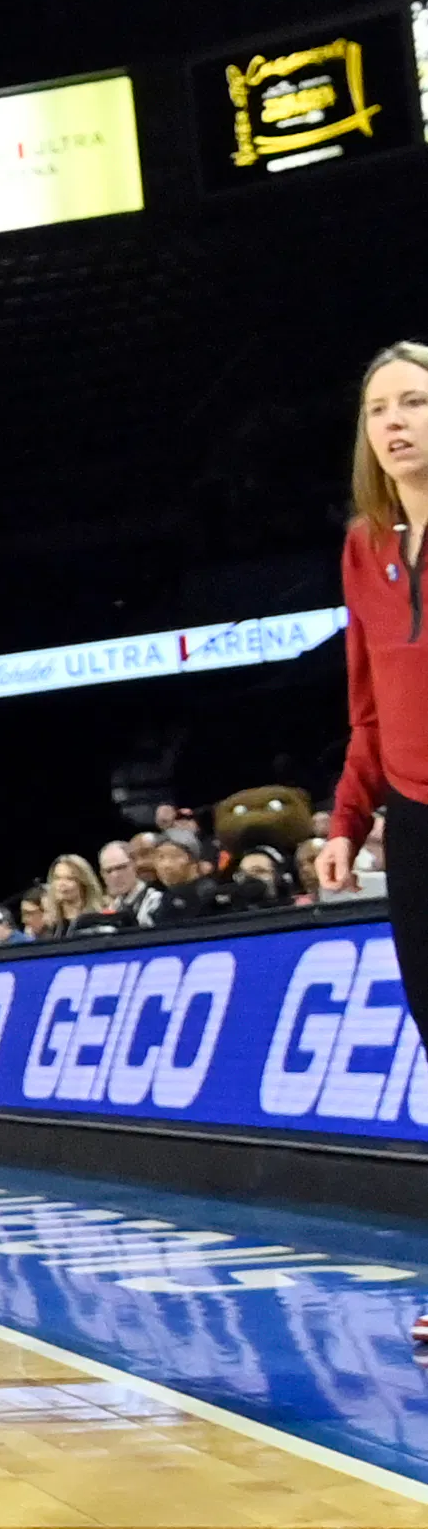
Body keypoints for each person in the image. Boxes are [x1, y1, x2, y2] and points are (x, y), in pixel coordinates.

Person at [318, 341, 427, 1354]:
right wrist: (346, 820)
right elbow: (365, 709)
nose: (393, 422)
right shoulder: (363, 548)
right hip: (413, 823)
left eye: (413, 402)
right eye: (377, 409)